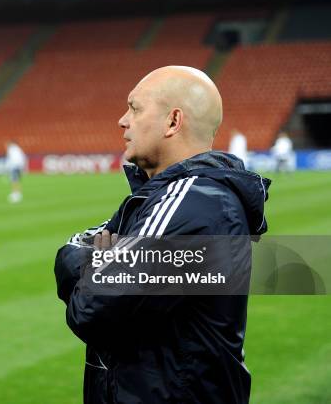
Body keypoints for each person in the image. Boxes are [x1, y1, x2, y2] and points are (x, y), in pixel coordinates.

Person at [54, 66, 271, 404]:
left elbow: (93, 309)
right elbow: (84, 247)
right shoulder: (164, 197)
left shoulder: (195, 201)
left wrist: (92, 262)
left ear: (173, 122)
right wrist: (97, 262)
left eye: (135, 108)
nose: (122, 121)